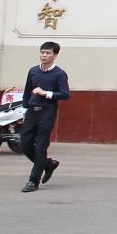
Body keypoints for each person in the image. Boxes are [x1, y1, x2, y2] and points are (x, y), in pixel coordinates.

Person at [19, 41, 70, 193]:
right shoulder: (33, 71)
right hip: (31, 112)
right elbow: (27, 92)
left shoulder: (59, 74)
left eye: (48, 53)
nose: (44, 55)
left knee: (41, 146)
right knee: (25, 145)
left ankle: (33, 181)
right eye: (42, 52)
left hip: (47, 112)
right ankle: (48, 164)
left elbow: (65, 94)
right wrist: (24, 111)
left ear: (55, 55)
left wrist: (46, 93)